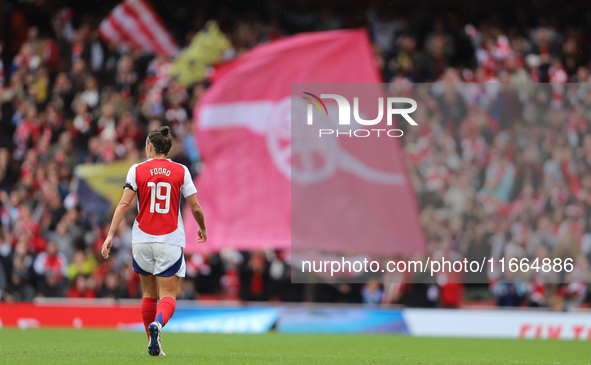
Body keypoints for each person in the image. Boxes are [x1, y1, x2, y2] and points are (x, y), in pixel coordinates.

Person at [100, 126, 207, 356]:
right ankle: (157, 325)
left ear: (150, 146)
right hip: (169, 239)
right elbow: (195, 206)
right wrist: (202, 227)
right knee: (168, 295)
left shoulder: (137, 170)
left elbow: (124, 204)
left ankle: (152, 343)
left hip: (142, 240)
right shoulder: (181, 171)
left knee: (148, 294)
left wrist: (110, 235)